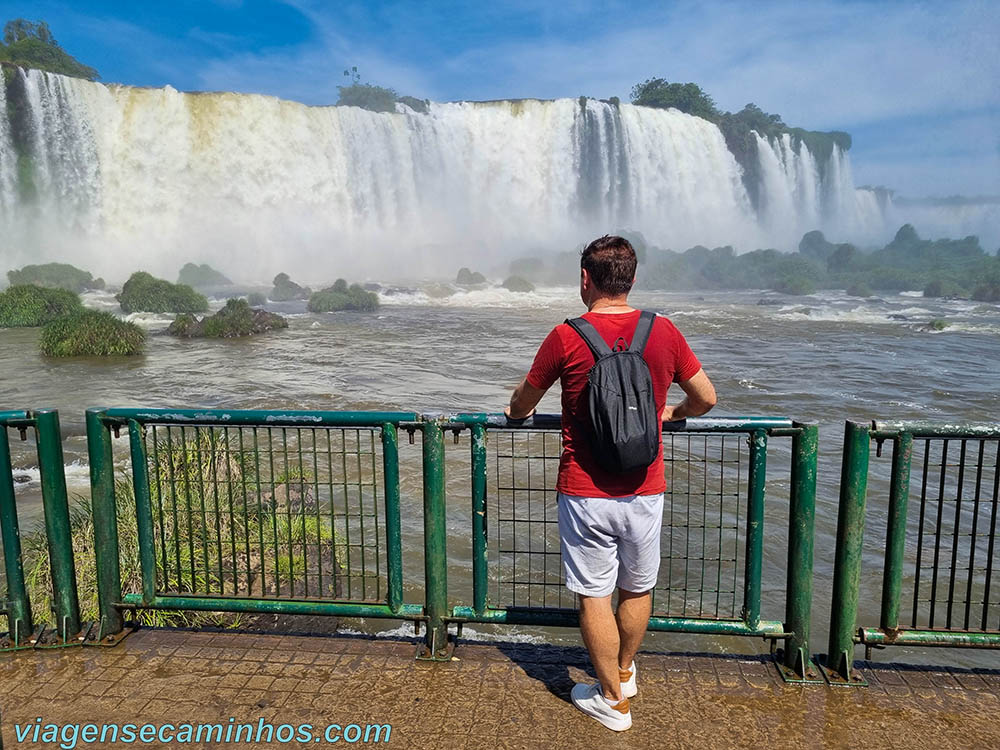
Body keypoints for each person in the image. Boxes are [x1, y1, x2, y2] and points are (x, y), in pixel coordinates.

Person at [504, 235, 716, 731]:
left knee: (594, 595)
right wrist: (671, 413)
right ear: (632, 279)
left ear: (585, 279)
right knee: (637, 587)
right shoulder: (663, 330)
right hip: (646, 487)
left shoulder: (565, 336)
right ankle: (623, 673)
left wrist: (513, 411)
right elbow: (706, 397)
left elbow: (522, 403)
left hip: (585, 491)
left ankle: (613, 702)